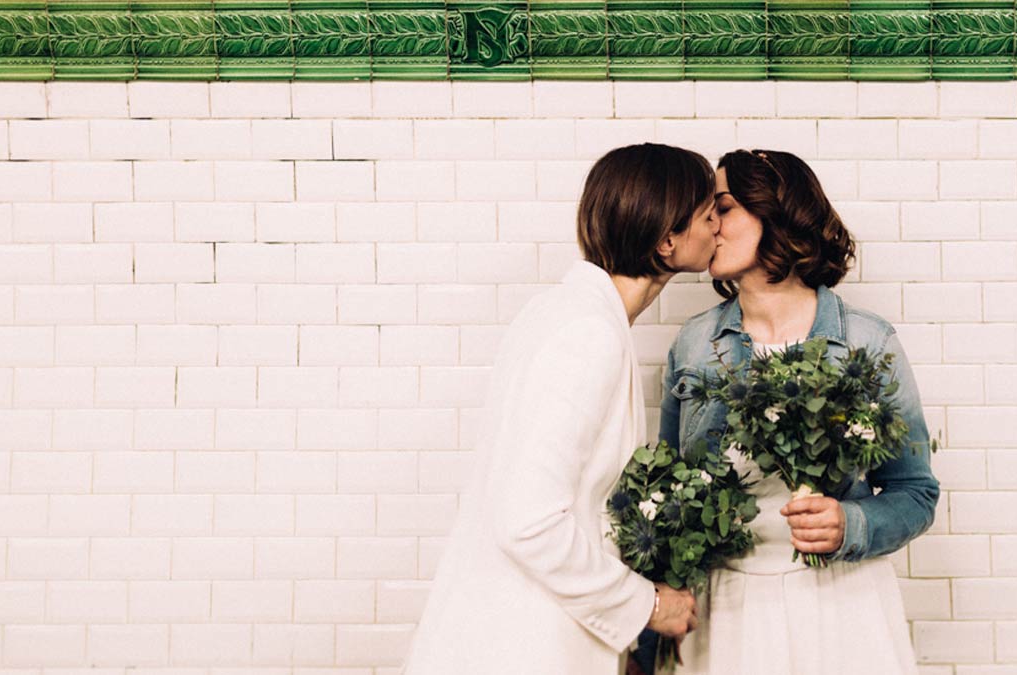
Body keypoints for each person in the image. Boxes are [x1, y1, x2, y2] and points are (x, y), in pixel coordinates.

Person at [403, 143, 723, 674]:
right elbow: (527, 522)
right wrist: (647, 604)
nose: (718, 227)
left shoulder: (562, 313)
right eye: (708, 214)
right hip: (523, 645)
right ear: (667, 240)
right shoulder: (587, 334)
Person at [635, 149, 940, 674]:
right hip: (724, 608)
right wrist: (643, 644)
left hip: (842, 604)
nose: (708, 224)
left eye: (723, 207)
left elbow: (916, 491)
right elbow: (664, 504)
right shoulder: (692, 345)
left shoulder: (867, 341)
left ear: (775, 212)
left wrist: (851, 523)